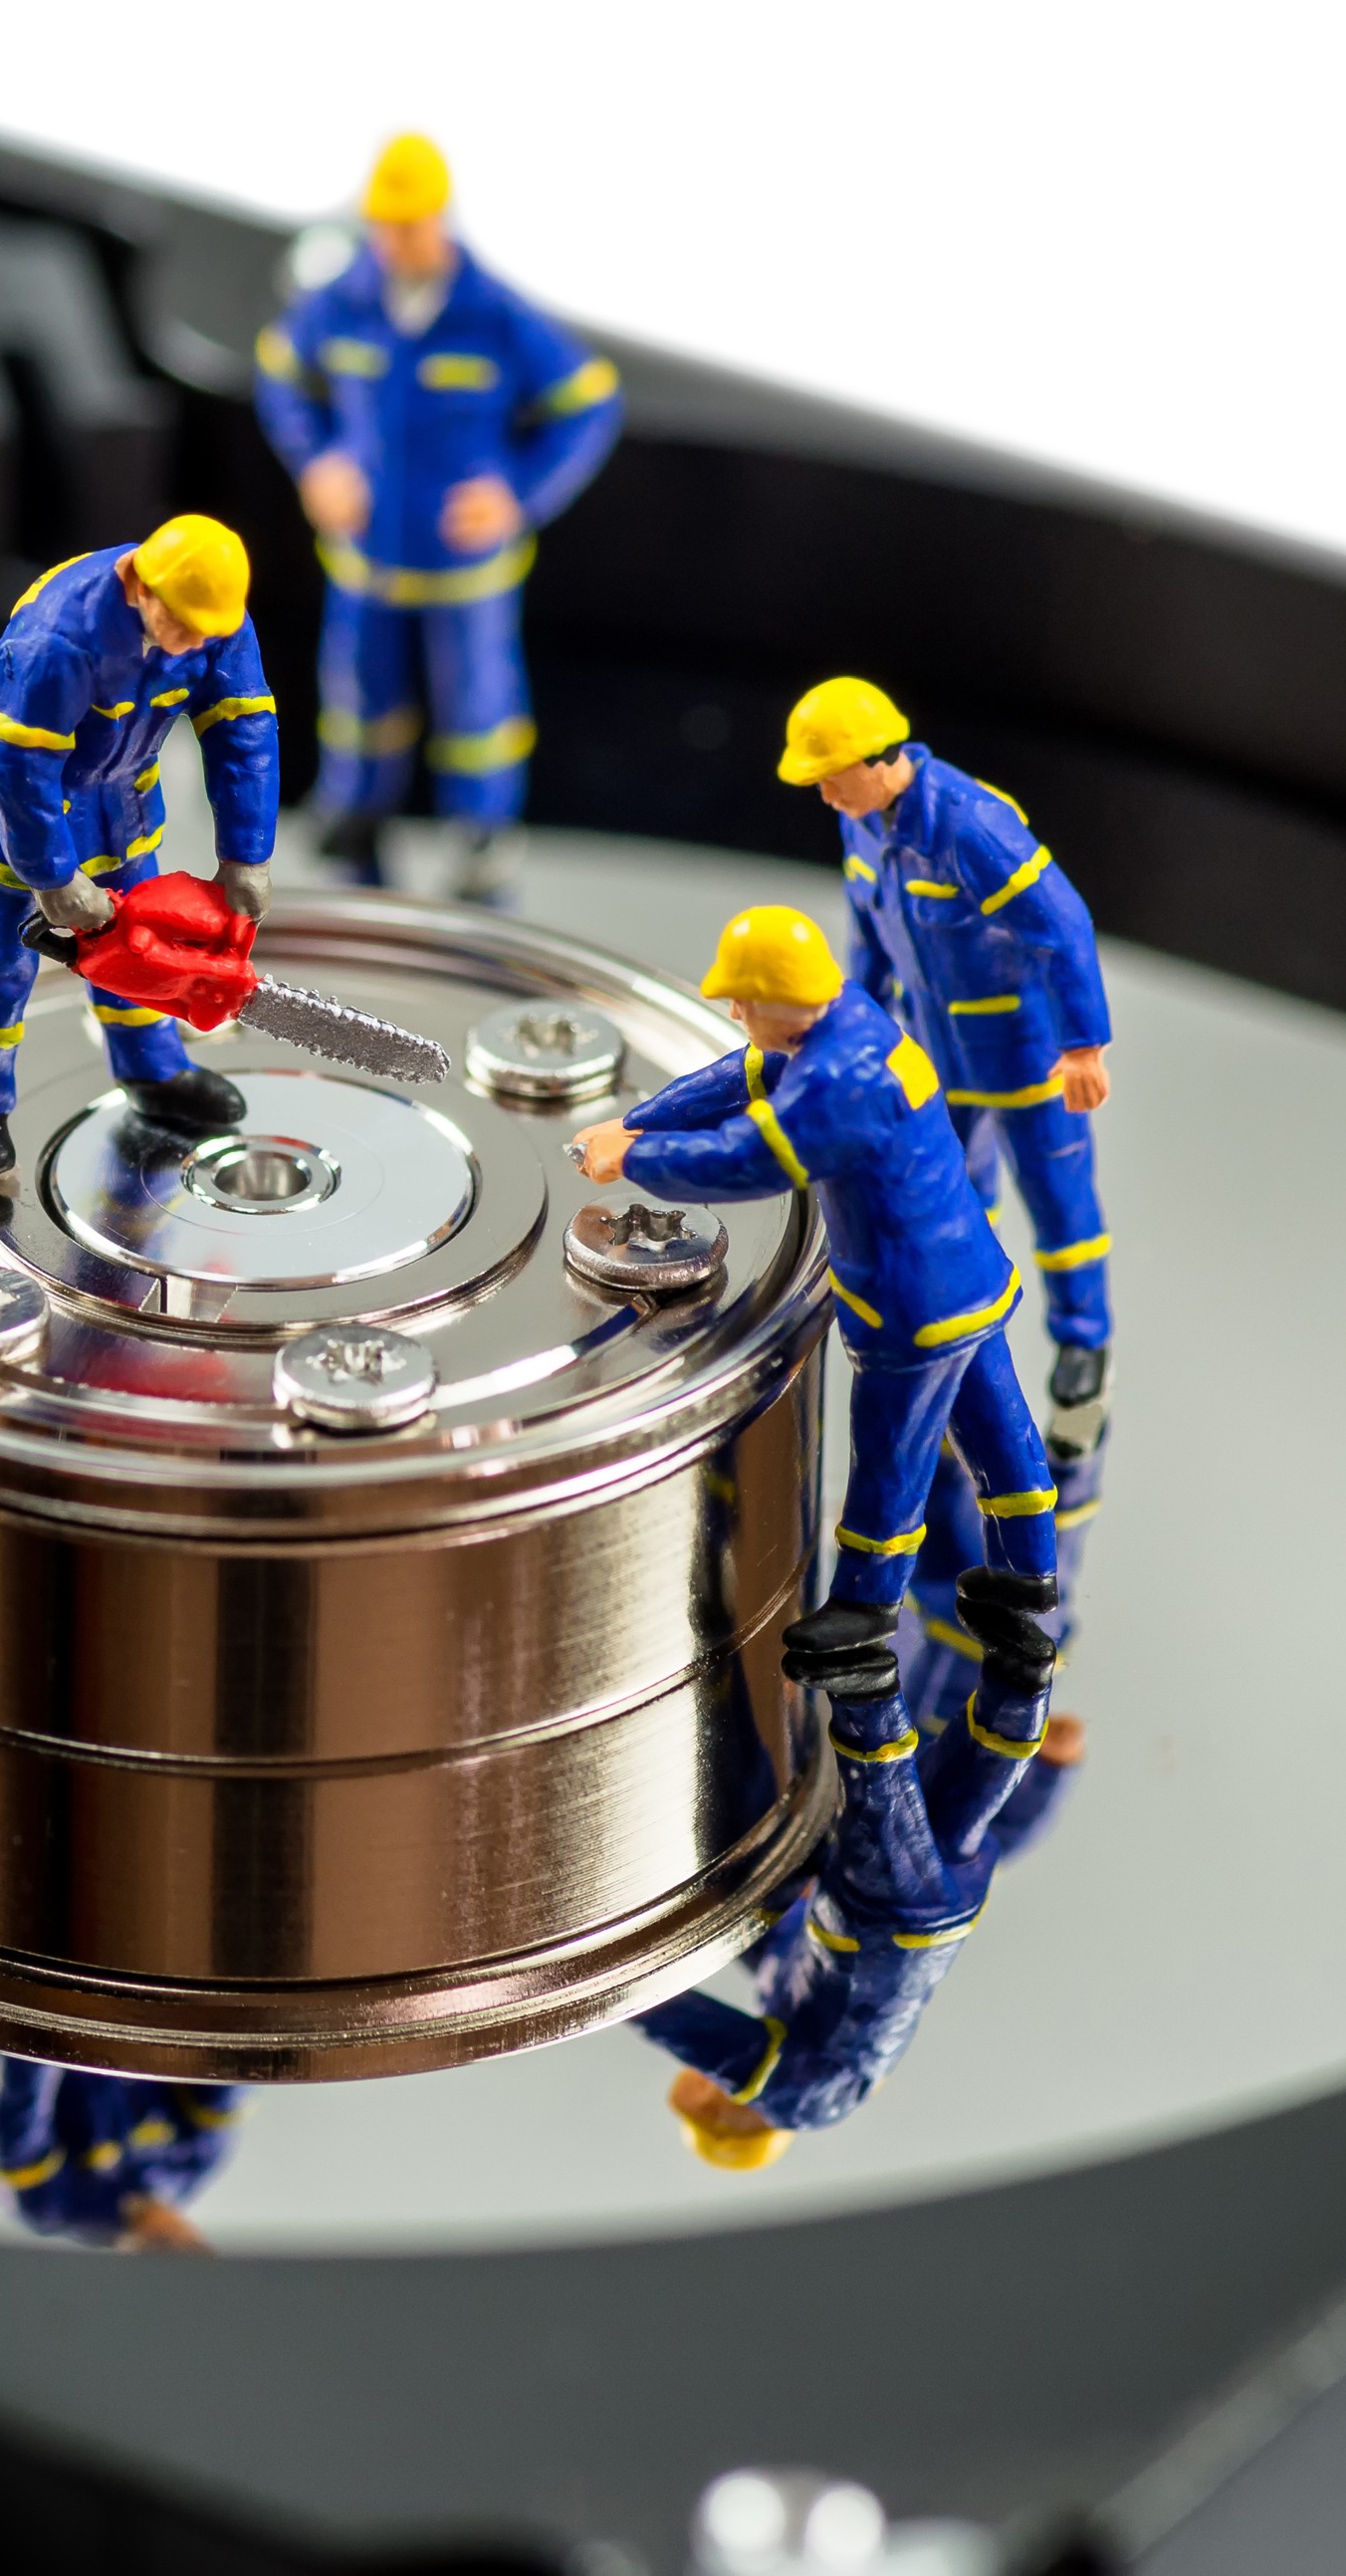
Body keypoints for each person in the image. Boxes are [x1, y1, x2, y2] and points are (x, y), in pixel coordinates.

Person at [570, 906, 1061, 1621]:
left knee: (890, 1452)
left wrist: (635, 1159)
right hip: (969, 1274)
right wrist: (637, 1121)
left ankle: (866, 1606)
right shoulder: (847, 1019)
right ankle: (1029, 1569)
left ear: (783, 1000)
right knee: (994, 1425)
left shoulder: (838, 1084)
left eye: (743, 1000)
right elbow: (741, 1076)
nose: (734, 1013)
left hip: (912, 1303)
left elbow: (748, 1161)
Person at [255, 133, 623, 901]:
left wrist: (519, 494)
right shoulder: (343, 302)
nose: (396, 241)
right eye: (383, 225)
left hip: (463, 573)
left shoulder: (493, 313)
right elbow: (280, 372)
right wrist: (315, 460)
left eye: (410, 224)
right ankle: (352, 817)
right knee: (358, 701)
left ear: (441, 218)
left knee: (477, 710)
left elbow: (588, 402)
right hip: (366, 563)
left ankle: (481, 833)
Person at [781, 676, 1120, 1423]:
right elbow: (870, 939)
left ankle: (1083, 1337)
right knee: (955, 1202)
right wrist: (858, 1029)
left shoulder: (971, 826)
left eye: (831, 778)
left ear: (879, 759)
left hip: (1027, 1058)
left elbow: (1063, 925)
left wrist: (1083, 1046)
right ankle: (971, 1332)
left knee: (1058, 1201)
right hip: (936, 1057)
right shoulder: (860, 825)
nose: (825, 796)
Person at [646, 1571, 1061, 2164]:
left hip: (920, 1920)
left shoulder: (780, 1997)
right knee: (879, 1796)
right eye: (711, 2101)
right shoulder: (805, 2104)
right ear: (728, 2118)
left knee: (960, 1789)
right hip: (882, 1928)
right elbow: (693, 2029)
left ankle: (1021, 1677)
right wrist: (600, 1992)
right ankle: (864, 1685)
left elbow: (758, 1937)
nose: (708, 2087)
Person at [0, 515, 285, 1183]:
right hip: (14, 822)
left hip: (119, 812)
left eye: (207, 629)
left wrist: (246, 854)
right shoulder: (55, 637)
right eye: (183, 626)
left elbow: (243, 733)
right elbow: (16, 766)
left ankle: (153, 1072)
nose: (197, 642)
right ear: (138, 585)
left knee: (149, 950)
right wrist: (51, 876)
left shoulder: (213, 616)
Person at [0, 2056, 246, 2252]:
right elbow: (229, 2060)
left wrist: (53, 2017)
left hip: (46, 1998)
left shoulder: (54, 2204)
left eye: (161, 2256)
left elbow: (15, 2109)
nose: (171, 2243)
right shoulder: (196, 2160)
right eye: (190, 2249)